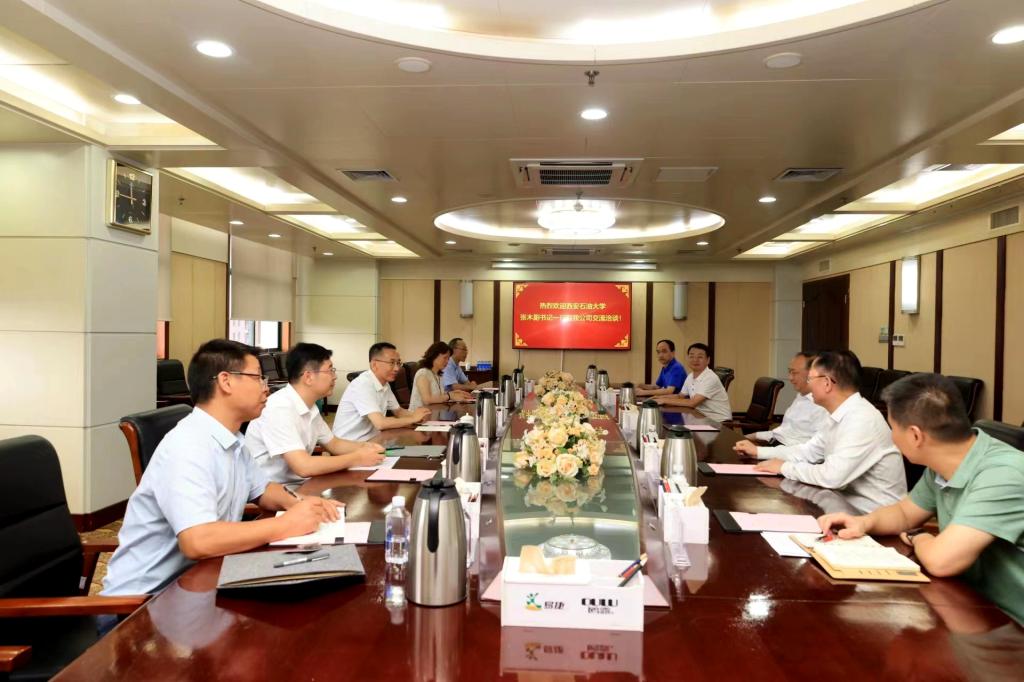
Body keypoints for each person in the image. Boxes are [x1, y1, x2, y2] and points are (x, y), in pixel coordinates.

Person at [102, 339, 342, 595]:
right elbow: (198, 541)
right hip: (146, 602)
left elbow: (264, 490)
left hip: (202, 580)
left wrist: (304, 504)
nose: (267, 388)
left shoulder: (232, 438)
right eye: (258, 378)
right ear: (226, 381)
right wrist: (287, 524)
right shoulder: (188, 445)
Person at [818, 373, 1024, 623]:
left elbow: (941, 561)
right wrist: (864, 522)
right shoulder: (944, 463)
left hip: (1012, 622)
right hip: (972, 605)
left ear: (915, 436)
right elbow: (905, 513)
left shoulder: (1003, 473)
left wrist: (920, 537)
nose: (892, 437)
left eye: (893, 428)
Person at [734, 350, 906, 511]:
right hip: (840, 506)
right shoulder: (837, 415)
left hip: (871, 516)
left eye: (810, 379)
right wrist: (759, 452)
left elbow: (832, 476)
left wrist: (784, 467)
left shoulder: (861, 419)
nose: (808, 385)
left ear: (827, 383)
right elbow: (808, 452)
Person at [245, 342, 386, 483]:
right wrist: (357, 458)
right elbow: (303, 467)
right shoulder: (279, 408)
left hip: (300, 484)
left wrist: (366, 447)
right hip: (274, 490)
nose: (334, 376)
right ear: (308, 377)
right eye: (330, 370)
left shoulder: (309, 406)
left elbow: (333, 444)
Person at [332, 341, 431, 441]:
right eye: (392, 363)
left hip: (372, 439)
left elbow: (399, 411)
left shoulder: (384, 384)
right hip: (350, 444)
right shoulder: (363, 385)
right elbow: (380, 423)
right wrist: (413, 418)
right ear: (374, 365)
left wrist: (418, 415)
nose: (397, 368)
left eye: (398, 363)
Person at [743, 351, 829, 445]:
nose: (790, 378)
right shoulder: (801, 397)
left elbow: (814, 449)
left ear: (812, 374)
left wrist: (762, 451)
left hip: (788, 451)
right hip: (776, 444)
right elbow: (782, 432)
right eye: (789, 372)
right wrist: (754, 436)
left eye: (794, 372)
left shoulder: (822, 406)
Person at [654, 343, 732, 422]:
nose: (695, 360)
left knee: (671, 425)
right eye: (691, 356)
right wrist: (658, 398)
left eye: (700, 357)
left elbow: (692, 403)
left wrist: (664, 400)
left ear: (708, 360)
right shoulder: (690, 376)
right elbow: (680, 396)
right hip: (699, 417)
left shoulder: (710, 378)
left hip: (718, 422)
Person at [410, 341, 473, 410]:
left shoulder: (438, 375)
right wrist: (449, 396)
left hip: (434, 413)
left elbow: (439, 396)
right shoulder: (423, 373)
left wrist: (454, 393)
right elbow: (427, 400)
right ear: (434, 356)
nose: (447, 361)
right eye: (445, 358)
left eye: (448, 359)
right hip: (418, 415)